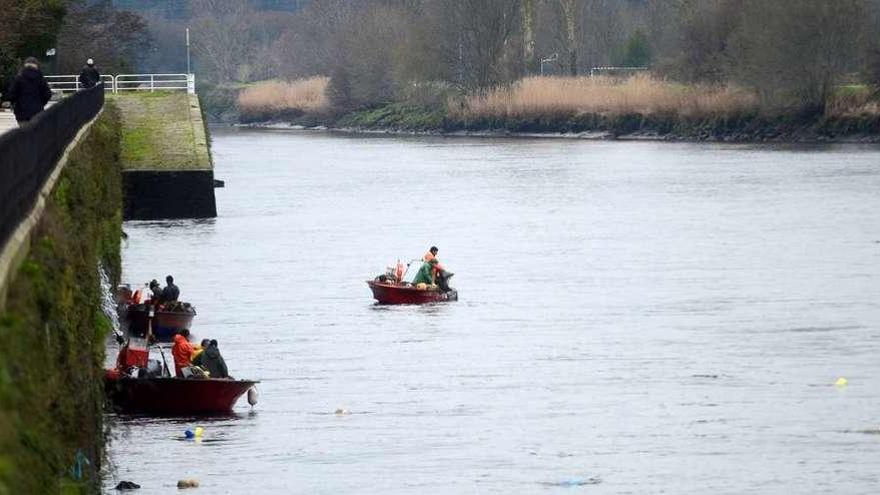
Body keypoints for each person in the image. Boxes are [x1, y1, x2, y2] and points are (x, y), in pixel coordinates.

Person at [5, 57, 51, 126]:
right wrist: (41, 103)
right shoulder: (40, 78)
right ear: (36, 65)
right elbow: (47, 94)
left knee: (24, 134)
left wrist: (15, 104)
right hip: (37, 112)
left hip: (21, 113)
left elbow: (11, 95)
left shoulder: (18, 78)